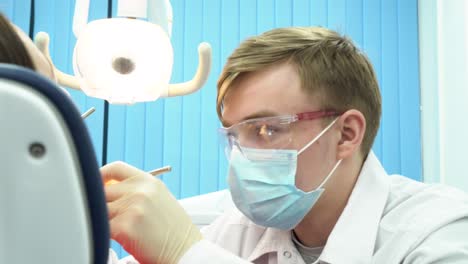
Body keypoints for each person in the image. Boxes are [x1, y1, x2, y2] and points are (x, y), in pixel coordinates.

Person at [103, 26, 468, 264]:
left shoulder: (438, 231)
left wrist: (188, 254)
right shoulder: (237, 230)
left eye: (265, 130)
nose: (240, 162)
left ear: (346, 134)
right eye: (234, 135)